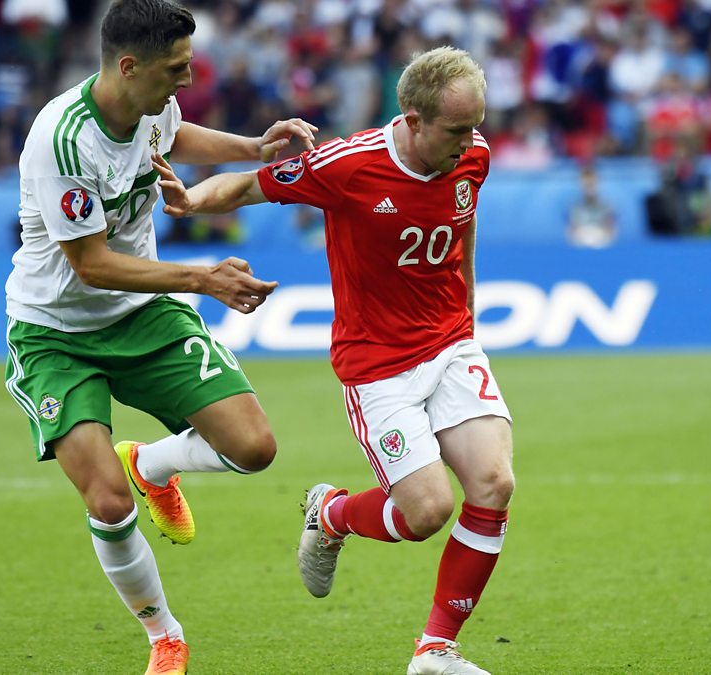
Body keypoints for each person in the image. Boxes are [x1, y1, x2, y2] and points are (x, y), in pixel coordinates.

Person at [153, 46, 515, 675]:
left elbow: (464, 228)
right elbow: (250, 186)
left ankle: (435, 651)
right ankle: (331, 515)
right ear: (413, 120)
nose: (471, 142)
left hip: (452, 343)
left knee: (494, 484)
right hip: (379, 366)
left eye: (476, 126)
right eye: (457, 129)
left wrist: (470, 317)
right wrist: (191, 202)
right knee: (427, 512)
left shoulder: (472, 154)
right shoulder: (347, 165)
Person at [1, 2, 316, 673]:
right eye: (176, 67)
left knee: (253, 447)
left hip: (142, 313)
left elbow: (176, 135)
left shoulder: (150, 105)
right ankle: (164, 635)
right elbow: (91, 265)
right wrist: (202, 278)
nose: (188, 77)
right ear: (128, 65)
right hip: (56, 332)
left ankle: (152, 463)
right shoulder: (63, 140)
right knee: (109, 502)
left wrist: (254, 147)